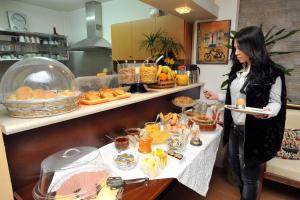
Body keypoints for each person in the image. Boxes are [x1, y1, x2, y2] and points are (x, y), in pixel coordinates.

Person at [203, 26, 286, 200]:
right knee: (234, 163)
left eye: (240, 48)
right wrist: (216, 95)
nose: (236, 53)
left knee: (249, 173)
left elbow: (276, 103)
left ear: (252, 47)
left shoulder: (272, 73)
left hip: (253, 131)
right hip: (234, 128)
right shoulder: (238, 71)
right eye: (235, 48)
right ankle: (244, 194)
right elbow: (235, 98)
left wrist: (266, 112)